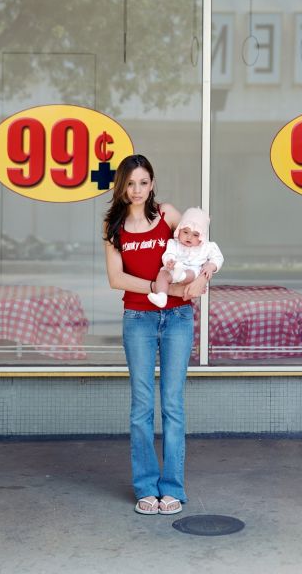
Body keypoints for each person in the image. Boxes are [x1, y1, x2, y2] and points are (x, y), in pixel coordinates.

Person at [103, 154, 209, 516]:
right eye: (130, 183)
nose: (137, 190)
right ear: (121, 186)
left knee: (173, 405)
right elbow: (116, 279)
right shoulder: (113, 226)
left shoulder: (167, 216)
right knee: (142, 406)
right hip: (138, 320)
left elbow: (203, 247)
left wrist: (203, 277)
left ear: (152, 184)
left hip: (177, 317)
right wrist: (155, 285)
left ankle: (173, 488)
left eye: (143, 182)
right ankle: (146, 487)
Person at [148, 207, 224, 308]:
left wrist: (211, 266)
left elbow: (218, 258)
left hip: (191, 272)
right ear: (179, 230)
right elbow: (168, 253)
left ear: (202, 236)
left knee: (191, 273)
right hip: (173, 269)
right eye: (185, 232)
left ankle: (181, 275)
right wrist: (169, 261)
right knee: (162, 275)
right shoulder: (173, 243)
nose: (189, 237)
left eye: (195, 235)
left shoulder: (207, 247)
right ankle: (161, 297)